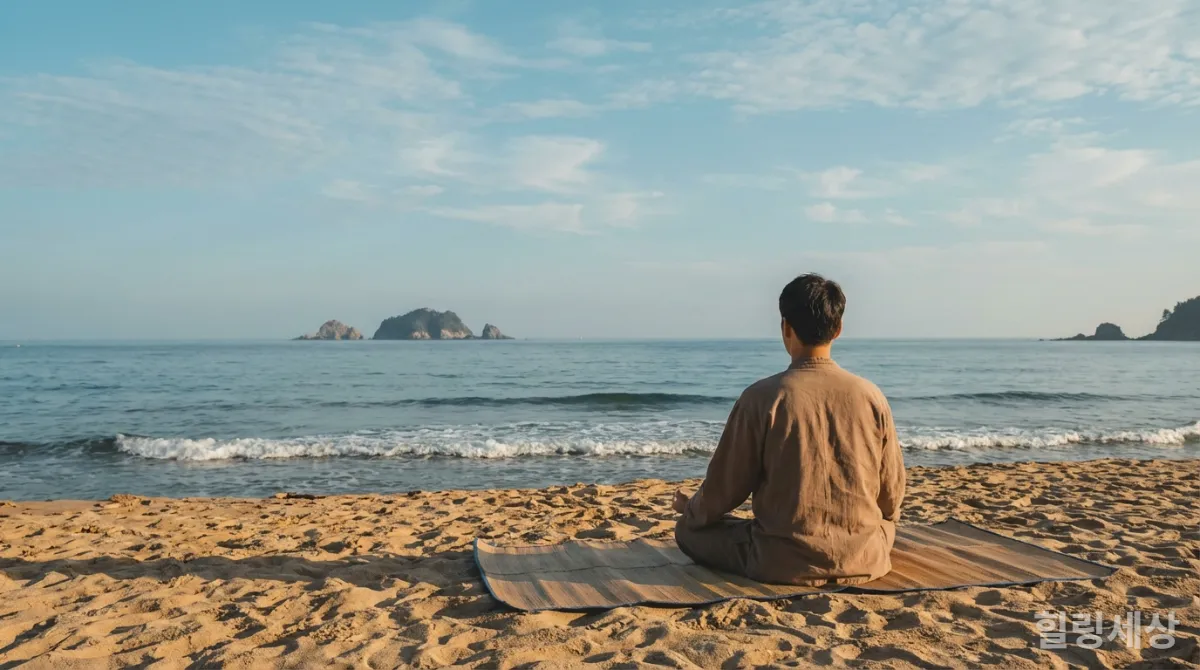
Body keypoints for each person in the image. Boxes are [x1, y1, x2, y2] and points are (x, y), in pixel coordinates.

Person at [673, 273, 905, 585]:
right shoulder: (870, 395)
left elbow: (724, 489)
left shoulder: (762, 397)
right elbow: (891, 496)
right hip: (864, 557)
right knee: (885, 527)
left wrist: (693, 509)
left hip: (780, 560)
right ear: (838, 329)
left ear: (785, 327)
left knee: (688, 531)